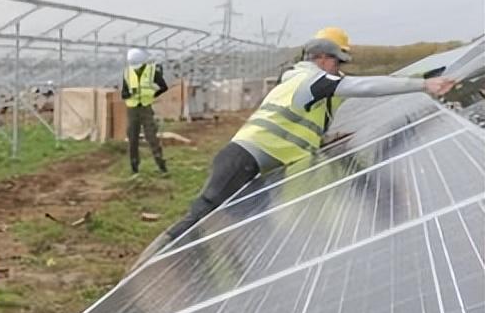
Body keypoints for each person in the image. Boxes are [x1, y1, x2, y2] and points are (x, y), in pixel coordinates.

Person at [150, 27, 456, 255]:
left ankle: (225, 274)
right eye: (337, 61)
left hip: (259, 165)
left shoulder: (301, 81)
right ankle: (158, 259)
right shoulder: (311, 79)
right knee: (203, 213)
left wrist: (323, 137)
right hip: (243, 158)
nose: (340, 69)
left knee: (254, 224)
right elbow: (365, 87)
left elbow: (304, 117)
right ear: (321, 58)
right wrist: (423, 85)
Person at [122, 48, 169, 175]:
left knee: (151, 137)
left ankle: (161, 165)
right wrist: (129, 94)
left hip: (146, 108)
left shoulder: (151, 71)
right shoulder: (127, 72)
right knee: (133, 138)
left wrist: (153, 95)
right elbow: (123, 93)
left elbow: (164, 87)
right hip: (132, 109)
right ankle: (134, 167)